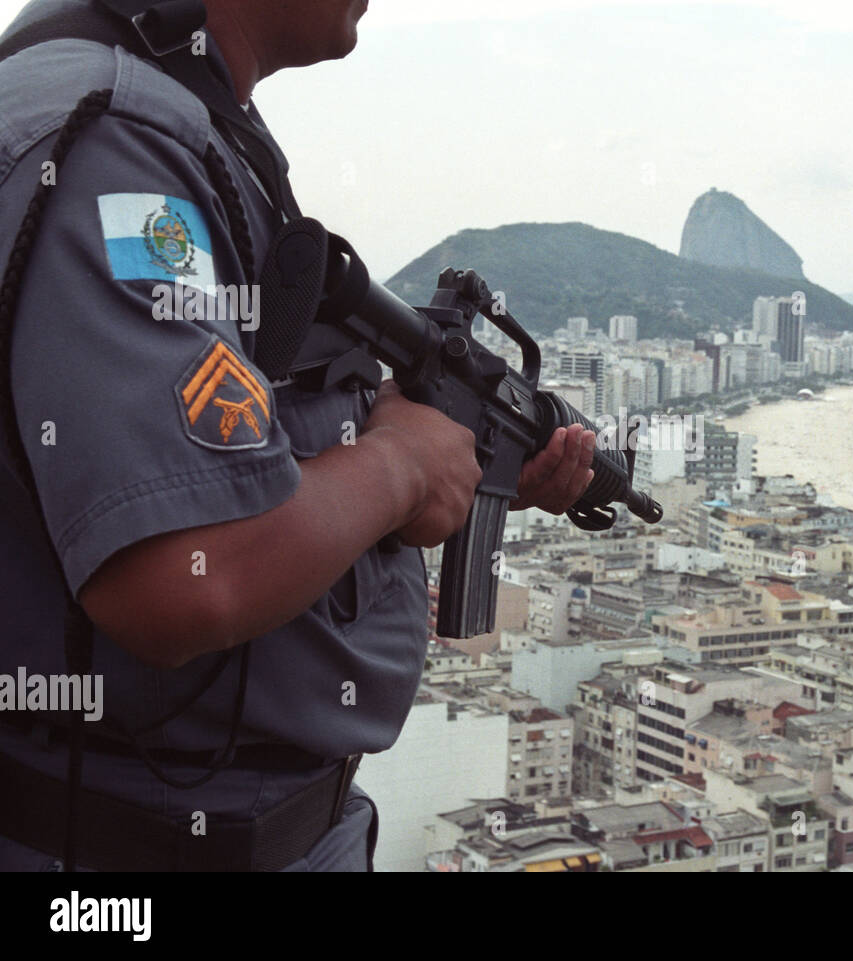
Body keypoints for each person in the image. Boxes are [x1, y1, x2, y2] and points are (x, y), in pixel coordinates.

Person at [0, 0, 596, 871]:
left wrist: (461, 459)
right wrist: (398, 466)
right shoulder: (117, 143)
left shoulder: (174, 107)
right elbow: (182, 575)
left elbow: (237, 443)